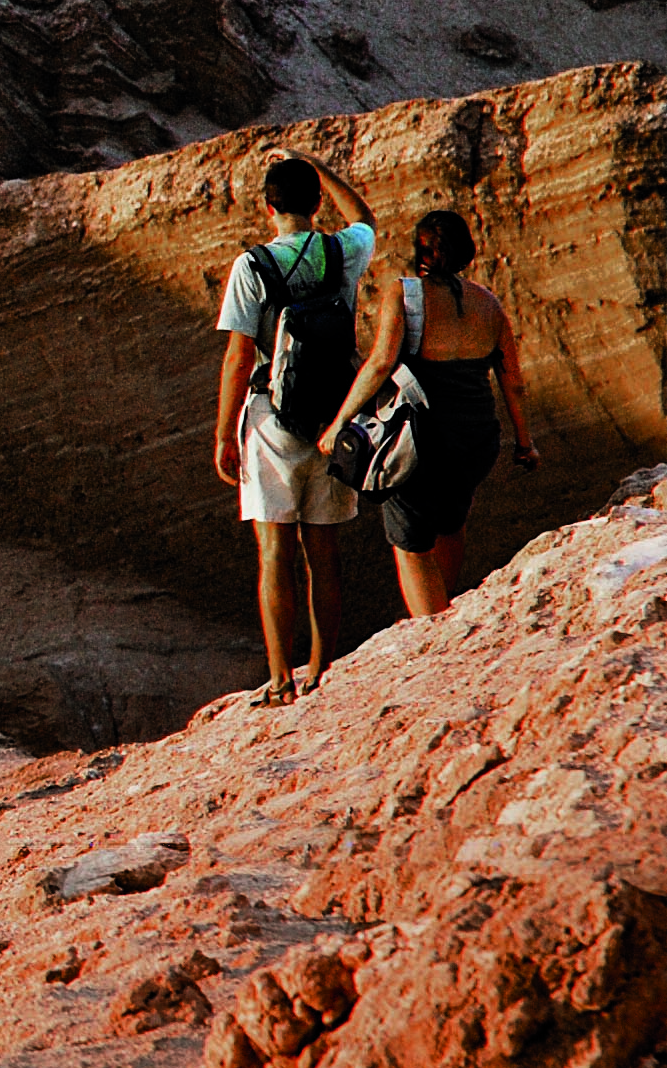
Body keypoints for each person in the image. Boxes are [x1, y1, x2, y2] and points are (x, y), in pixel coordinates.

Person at [212, 153, 375, 700]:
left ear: (268, 207)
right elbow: (366, 220)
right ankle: (319, 671)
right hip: (334, 417)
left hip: (271, 421)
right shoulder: (343, 250)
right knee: (324, 552)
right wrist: (322, 168)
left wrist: (221, 436)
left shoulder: (251, 266)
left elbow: (238, 356)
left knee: (275, 553)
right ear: (316, 203)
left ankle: (280, 679)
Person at [322, 207, 539, 617]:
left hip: (421, 439)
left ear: (419, 251)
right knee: (451, 523)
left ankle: (431, 630)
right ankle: (444, 612)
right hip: (476, 440)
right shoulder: (489, 304)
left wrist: (339, 423)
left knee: (411, 543)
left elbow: (381, 362)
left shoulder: (404, 294)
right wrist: (525, 443)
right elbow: (514, 382)